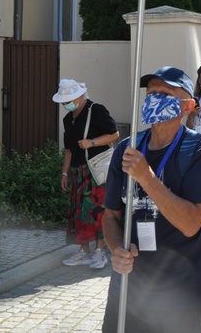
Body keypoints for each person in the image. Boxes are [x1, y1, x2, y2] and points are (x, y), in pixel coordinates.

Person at [101, 66, 201, 332]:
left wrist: (146, 177)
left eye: (164, 93)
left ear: (187, 105)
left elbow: (191, 224)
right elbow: (110, 215)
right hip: (131, 288)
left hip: (183, 293)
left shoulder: (200, 150)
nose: (154, 98)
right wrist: (117, 248)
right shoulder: (127, 149)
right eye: (151, 92)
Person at [53, 79, 119, 270]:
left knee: (96, 210)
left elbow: (113, 134)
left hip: (96, 171)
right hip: (77, 171)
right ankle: (84, 251)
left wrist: (92, 142)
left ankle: (99, 251)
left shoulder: (96, 110)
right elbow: (68, 150)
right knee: (79, 212)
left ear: (79, 96)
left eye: (68, 101)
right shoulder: (68, 119)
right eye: (63, 102)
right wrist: (64, 173)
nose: (66, 104)